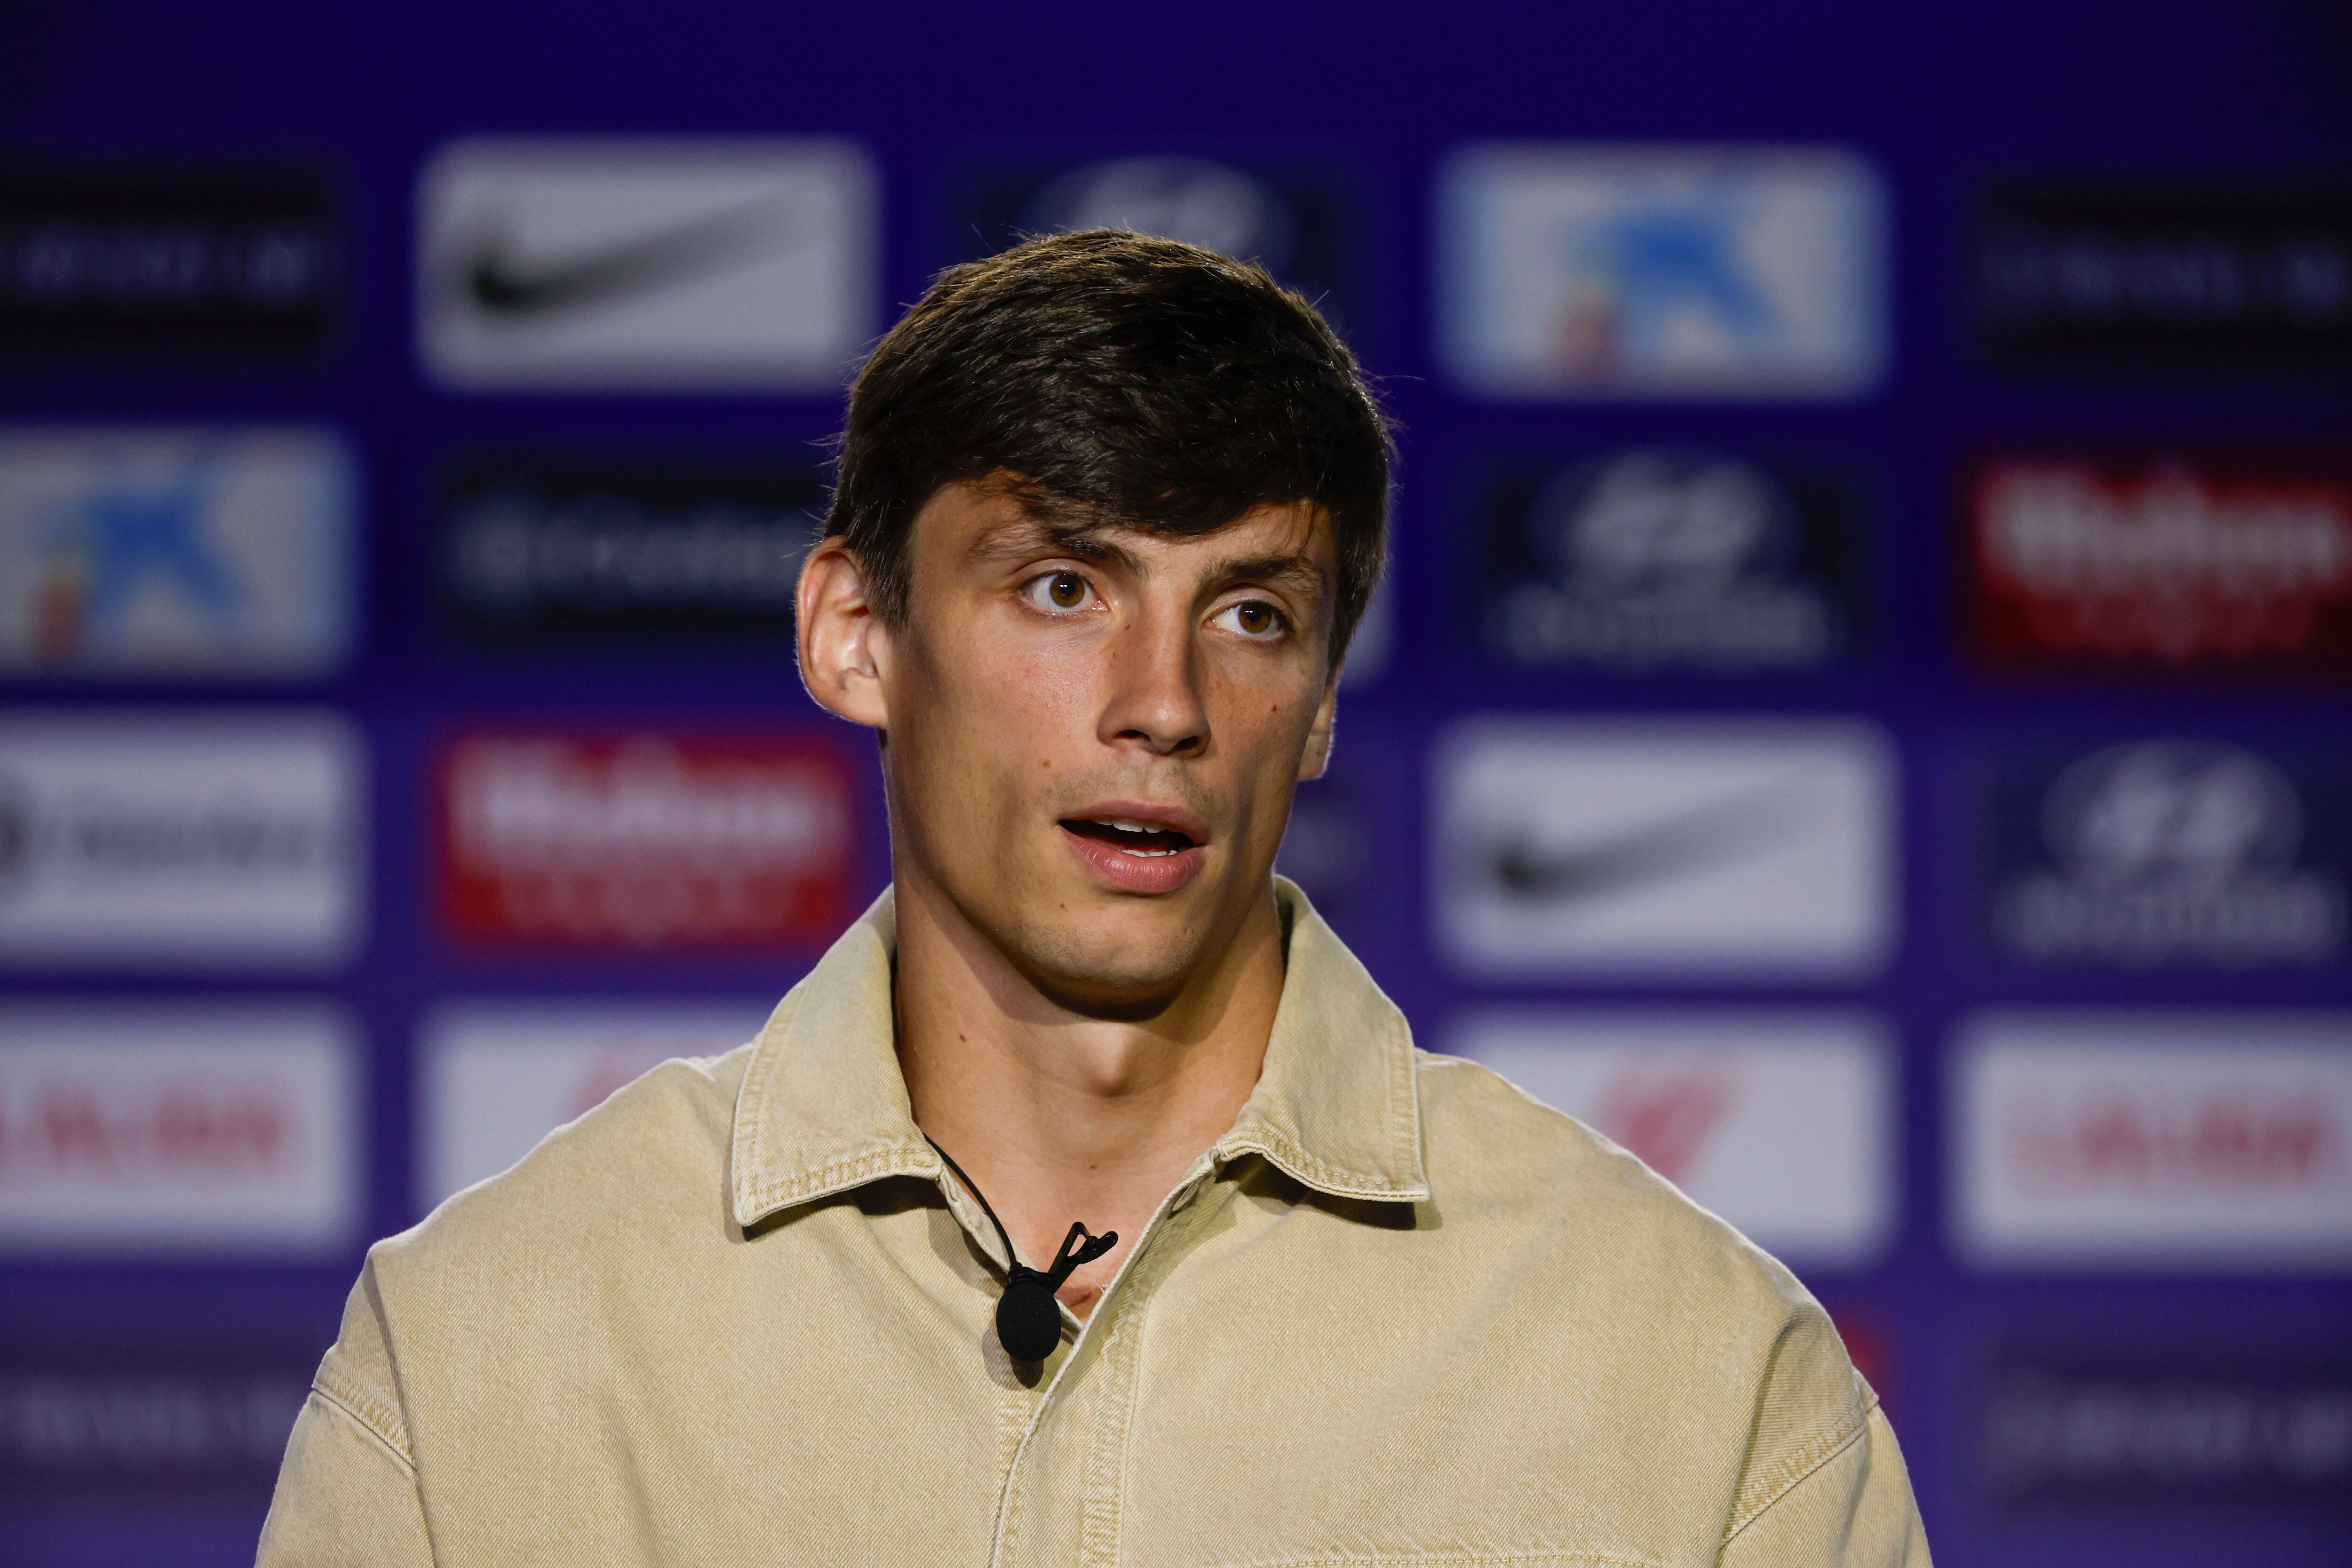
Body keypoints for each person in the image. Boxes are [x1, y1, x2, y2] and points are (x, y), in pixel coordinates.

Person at [259, 229, 1931, 1567]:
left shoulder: (1701, 1385)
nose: (1166, 700)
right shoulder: (491, 1352)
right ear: (855, 633)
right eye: (1063, 588)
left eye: (1255, 614)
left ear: (1327, 699)